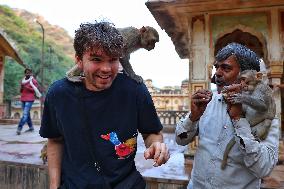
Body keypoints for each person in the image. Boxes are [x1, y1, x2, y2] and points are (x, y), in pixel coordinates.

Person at [39, 21, 170, 189]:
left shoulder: (135, 90)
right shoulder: (59, 93)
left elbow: (152, 132)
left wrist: (157, 145)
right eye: (96, 59)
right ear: (79, 60)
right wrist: (54, 186)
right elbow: (55, 141)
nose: (106, 68)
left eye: (113, 59)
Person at [175, 42, 279, 189]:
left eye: (226, 68)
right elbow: (180, 140)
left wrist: (238, 120)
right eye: (216, 67)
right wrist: (193, 117)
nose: (217, 73)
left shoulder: (264, 114)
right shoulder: (208, 104)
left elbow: (264, 169)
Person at [16, 68, 40, 135]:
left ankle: (19, 128)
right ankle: (31, 127)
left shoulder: (33, 81)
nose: (28, 74)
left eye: (29, 73)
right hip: (23, 99)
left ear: (31, 73)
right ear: (25, 73)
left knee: (25, 114)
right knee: (27, 114)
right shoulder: (23, 81)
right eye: (26, 73)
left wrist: (26, 87)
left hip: (29, 99)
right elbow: (21, 91)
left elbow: (35, 90)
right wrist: (21, 88)